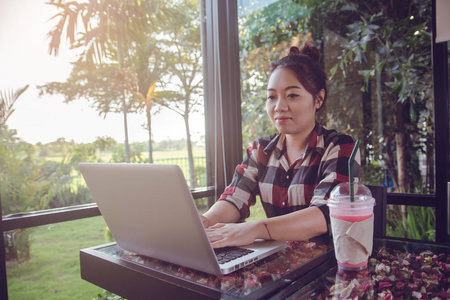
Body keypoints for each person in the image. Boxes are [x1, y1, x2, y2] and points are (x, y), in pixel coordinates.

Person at [202, 40, 361, 248]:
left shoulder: (340, 148)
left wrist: (257, 229)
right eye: (271, 97)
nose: (279, 106)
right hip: (275, 263)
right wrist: (203, 222)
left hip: (324, 265)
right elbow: (235, 198)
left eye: (292, 95)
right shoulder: (260, 150)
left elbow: (327, 214)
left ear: (319, 99)